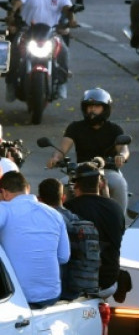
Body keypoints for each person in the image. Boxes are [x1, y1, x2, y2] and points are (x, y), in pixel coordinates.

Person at [46, 88, 131, 219]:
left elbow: (124, 149)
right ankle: (60, 221)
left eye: (96, 106)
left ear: (105, 109)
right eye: (89, 107)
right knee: (62, 186)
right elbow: (62, 148)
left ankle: (120, 221)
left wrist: (121, 157)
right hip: (81, 171)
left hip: (107, 171)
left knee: (119, 184)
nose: (92, 110)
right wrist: (55, 158)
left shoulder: (114, 129)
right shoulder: (75, 127)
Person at [6, 0, 75, 101]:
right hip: (27, 32)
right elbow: (16, 3)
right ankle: (10, 85)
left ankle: (62, 84)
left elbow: (68, 9)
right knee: (13, 53)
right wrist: (11, 15)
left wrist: (71, 20)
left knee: (63, 51)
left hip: (51, 34)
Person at [0, 171, 70, 309]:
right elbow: (63, 257)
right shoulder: (55, 214)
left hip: (18, 297)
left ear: (4, 192)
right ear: (28, 188)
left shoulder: (4, 208)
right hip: (51, 295)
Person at [64, 161, 125, 299]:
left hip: (79, 283)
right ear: (101, 184)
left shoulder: (69, 209)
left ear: (76, 185)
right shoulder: (116, 209)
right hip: (108, 281)